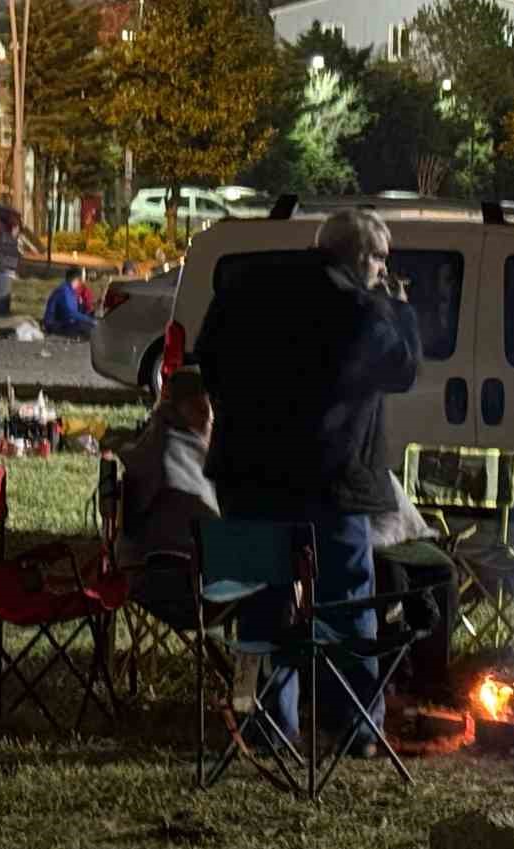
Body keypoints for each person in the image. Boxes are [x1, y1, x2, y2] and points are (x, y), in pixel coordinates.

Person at [196, 207, 420, 758]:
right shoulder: (359, 308)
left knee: (261, 604)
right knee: (346, 605)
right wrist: (400, 308)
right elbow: (404, 368)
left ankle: (268, 725)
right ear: (361, 257)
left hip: (248, 479)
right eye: (381, 260)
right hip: (329, 482)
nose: (383, 271)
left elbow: (208, 361)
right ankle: (357, 726)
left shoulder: (249, 287)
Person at [117, 370, 218, 622]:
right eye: (206, 410)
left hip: (144, 576)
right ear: (197, 408)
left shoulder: (151, 443)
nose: (211, 420)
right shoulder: (174, 450)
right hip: (184, 585)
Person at [42, 268, 97, 338]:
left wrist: (82, 307)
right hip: (55, 325)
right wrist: (90, 320)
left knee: (89, 327)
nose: (81, 284)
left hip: (63, 322)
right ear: (76, 279)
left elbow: (75, 311)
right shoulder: (64, 291)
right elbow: (70, 313)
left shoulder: (70, 291)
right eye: (80, 281)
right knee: (89, 330)